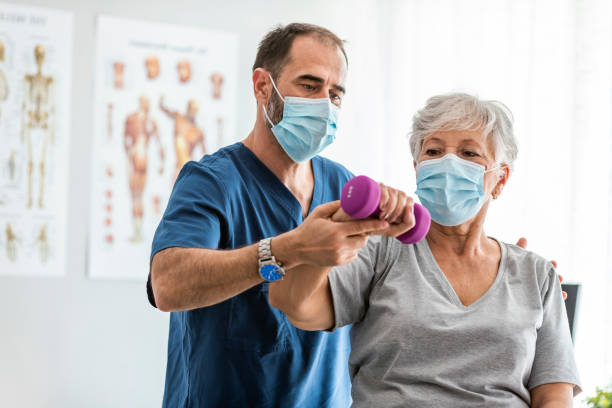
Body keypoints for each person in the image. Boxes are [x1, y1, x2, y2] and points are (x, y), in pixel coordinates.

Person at [147, 23, 409, 407]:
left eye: (335, 94)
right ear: (262, 86)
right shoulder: (212, 181)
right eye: (309, 85)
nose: (325, 103)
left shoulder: (342, 185)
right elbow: (168, 285)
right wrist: (288, 250)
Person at [269, 93, 581, 407]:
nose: (448, 162)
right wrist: (323, 241)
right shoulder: (381, 250)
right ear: (417, 167)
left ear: (500, 179)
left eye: (468, 152)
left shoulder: (536, 273)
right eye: (433, 150)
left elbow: (554, 394)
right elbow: (297, 306)